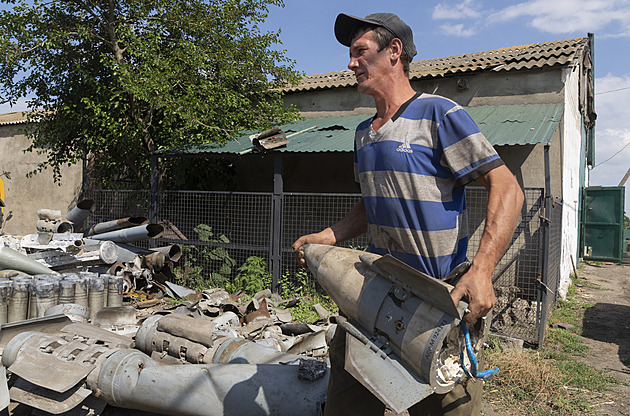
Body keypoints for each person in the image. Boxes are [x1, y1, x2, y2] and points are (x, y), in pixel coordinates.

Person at [292, 12, 524, 416]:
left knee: (449, 405)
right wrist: (330, 235)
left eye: (360, 52)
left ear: (394, 51)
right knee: (347, 403)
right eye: (350, 55)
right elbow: (373, 202)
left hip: (438, 299)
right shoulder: (364, 134)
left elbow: (507, 187)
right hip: (374, 291)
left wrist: (482, 269)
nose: (351, 64)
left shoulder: (439, 113)